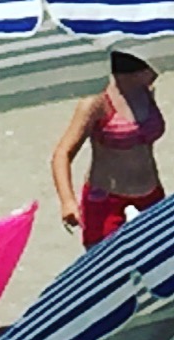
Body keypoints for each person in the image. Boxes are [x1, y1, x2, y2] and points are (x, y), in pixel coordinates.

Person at [51, 51, 167, 245]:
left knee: (161, 253)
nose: (157, 71)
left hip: (151, 193)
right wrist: (67, 202)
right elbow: (62, 154)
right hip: (107, 199)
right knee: (106, 258)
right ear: (138, 71)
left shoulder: (146, 92)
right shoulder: (96, 102)